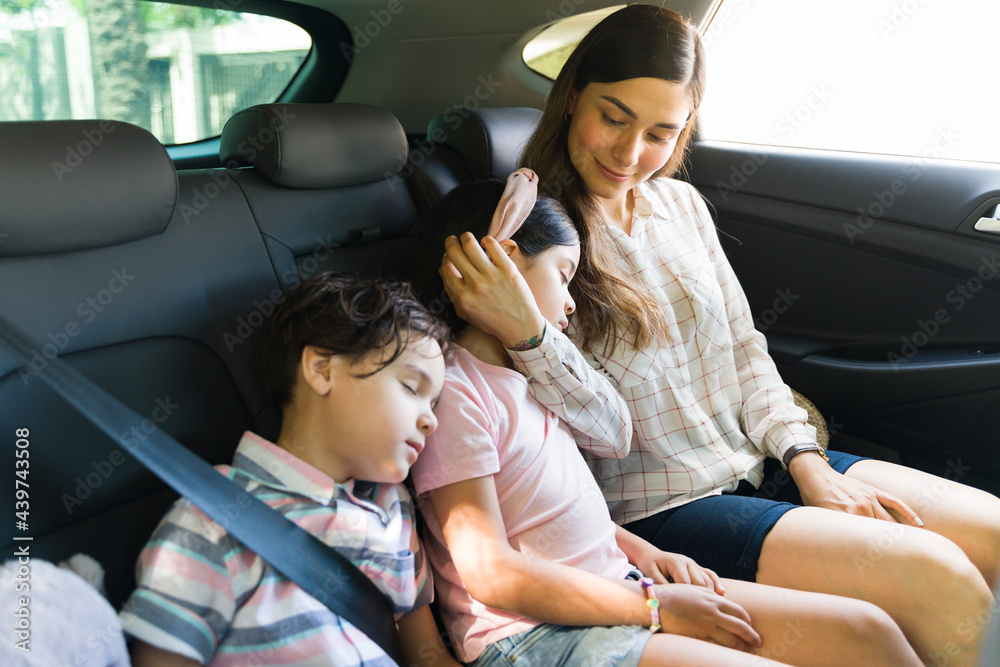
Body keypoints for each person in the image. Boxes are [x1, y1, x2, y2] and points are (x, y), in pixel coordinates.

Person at [438, 5, 1000, 666]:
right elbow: (588, 428)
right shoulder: (532, 236)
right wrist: (533, 334)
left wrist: (808, 464)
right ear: (570, 99)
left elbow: (744, 348)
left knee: (992, 532)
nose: (629, 153)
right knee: (938, 577)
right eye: (613, 117)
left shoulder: (681, 205)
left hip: (758, 463)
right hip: (662, 510)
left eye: (660, 132)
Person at [412, 170, 921, 667]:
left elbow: (559, 506)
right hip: (529, 635)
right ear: (501, 262)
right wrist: (654, 607)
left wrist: (643, 553)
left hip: (620, 584)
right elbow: (491, 572)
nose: (570, 302)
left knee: (866, 631)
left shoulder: (539, 374)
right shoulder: (458, 394)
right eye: (564, 274)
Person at [119, 273, 459, 667]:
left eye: (434, 404)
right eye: (411, 388)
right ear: (322, 370)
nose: (430, 421)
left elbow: (427, 659)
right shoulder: (214, 518)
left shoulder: (393, 515)